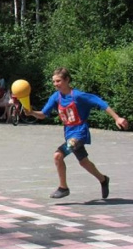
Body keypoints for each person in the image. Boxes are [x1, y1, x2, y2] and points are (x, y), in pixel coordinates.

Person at [27, 67, 128, 199]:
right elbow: (43, 114)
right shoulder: (55, 97)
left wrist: (117, 118)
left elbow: (100, 103)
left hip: (80, 133)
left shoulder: (79, 96)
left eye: (58, 81)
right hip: (69, 134)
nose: (55, 84)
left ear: (67, 80)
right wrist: (32, 113)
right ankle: (103, 179)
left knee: (58, 155)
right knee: (84, 162)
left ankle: (63, 188)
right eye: (54, 82)